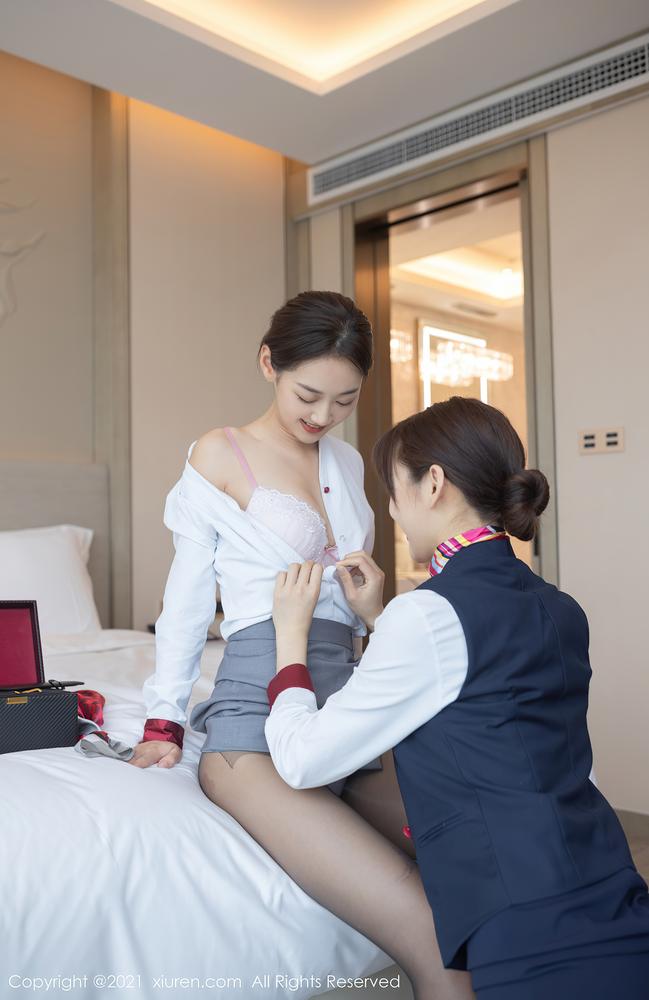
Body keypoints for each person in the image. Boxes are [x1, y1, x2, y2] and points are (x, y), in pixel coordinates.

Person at [128, 291, 476, 1000]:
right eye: (307, 396)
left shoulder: (346, 464)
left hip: (351, 715)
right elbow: (188, 601)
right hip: (256, 725)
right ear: (269, 364)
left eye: (344, 401)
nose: (322, 417)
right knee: (426, 925)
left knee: (476, 867)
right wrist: (163, 720)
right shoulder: (220, 452)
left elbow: (361, 608)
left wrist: (371, 613)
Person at [264, 395, 649, 1000]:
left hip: (528, 931)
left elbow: (302, 759)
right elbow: (490, 707)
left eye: (393, 489)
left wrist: (289, 641)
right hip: (615, 894)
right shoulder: (560, 607)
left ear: (433, 484)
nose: (391, 509)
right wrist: (380, 621)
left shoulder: (428, 614)